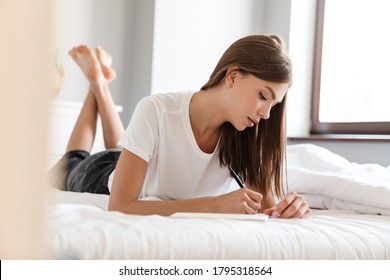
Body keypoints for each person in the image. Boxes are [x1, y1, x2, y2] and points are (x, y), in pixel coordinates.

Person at [49, 35, 311, 219]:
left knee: (122, 146)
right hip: (100, 175)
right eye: (263, 96)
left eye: (274, 105)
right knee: (73, 159)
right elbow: (120, 206)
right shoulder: (157, 109)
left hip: (138, 164)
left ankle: (98, 82)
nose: (266, 114)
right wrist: (214, 205)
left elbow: (268, 207)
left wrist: (289, 207)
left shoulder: (247, 133)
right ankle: (97, 84)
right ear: (232, 76)